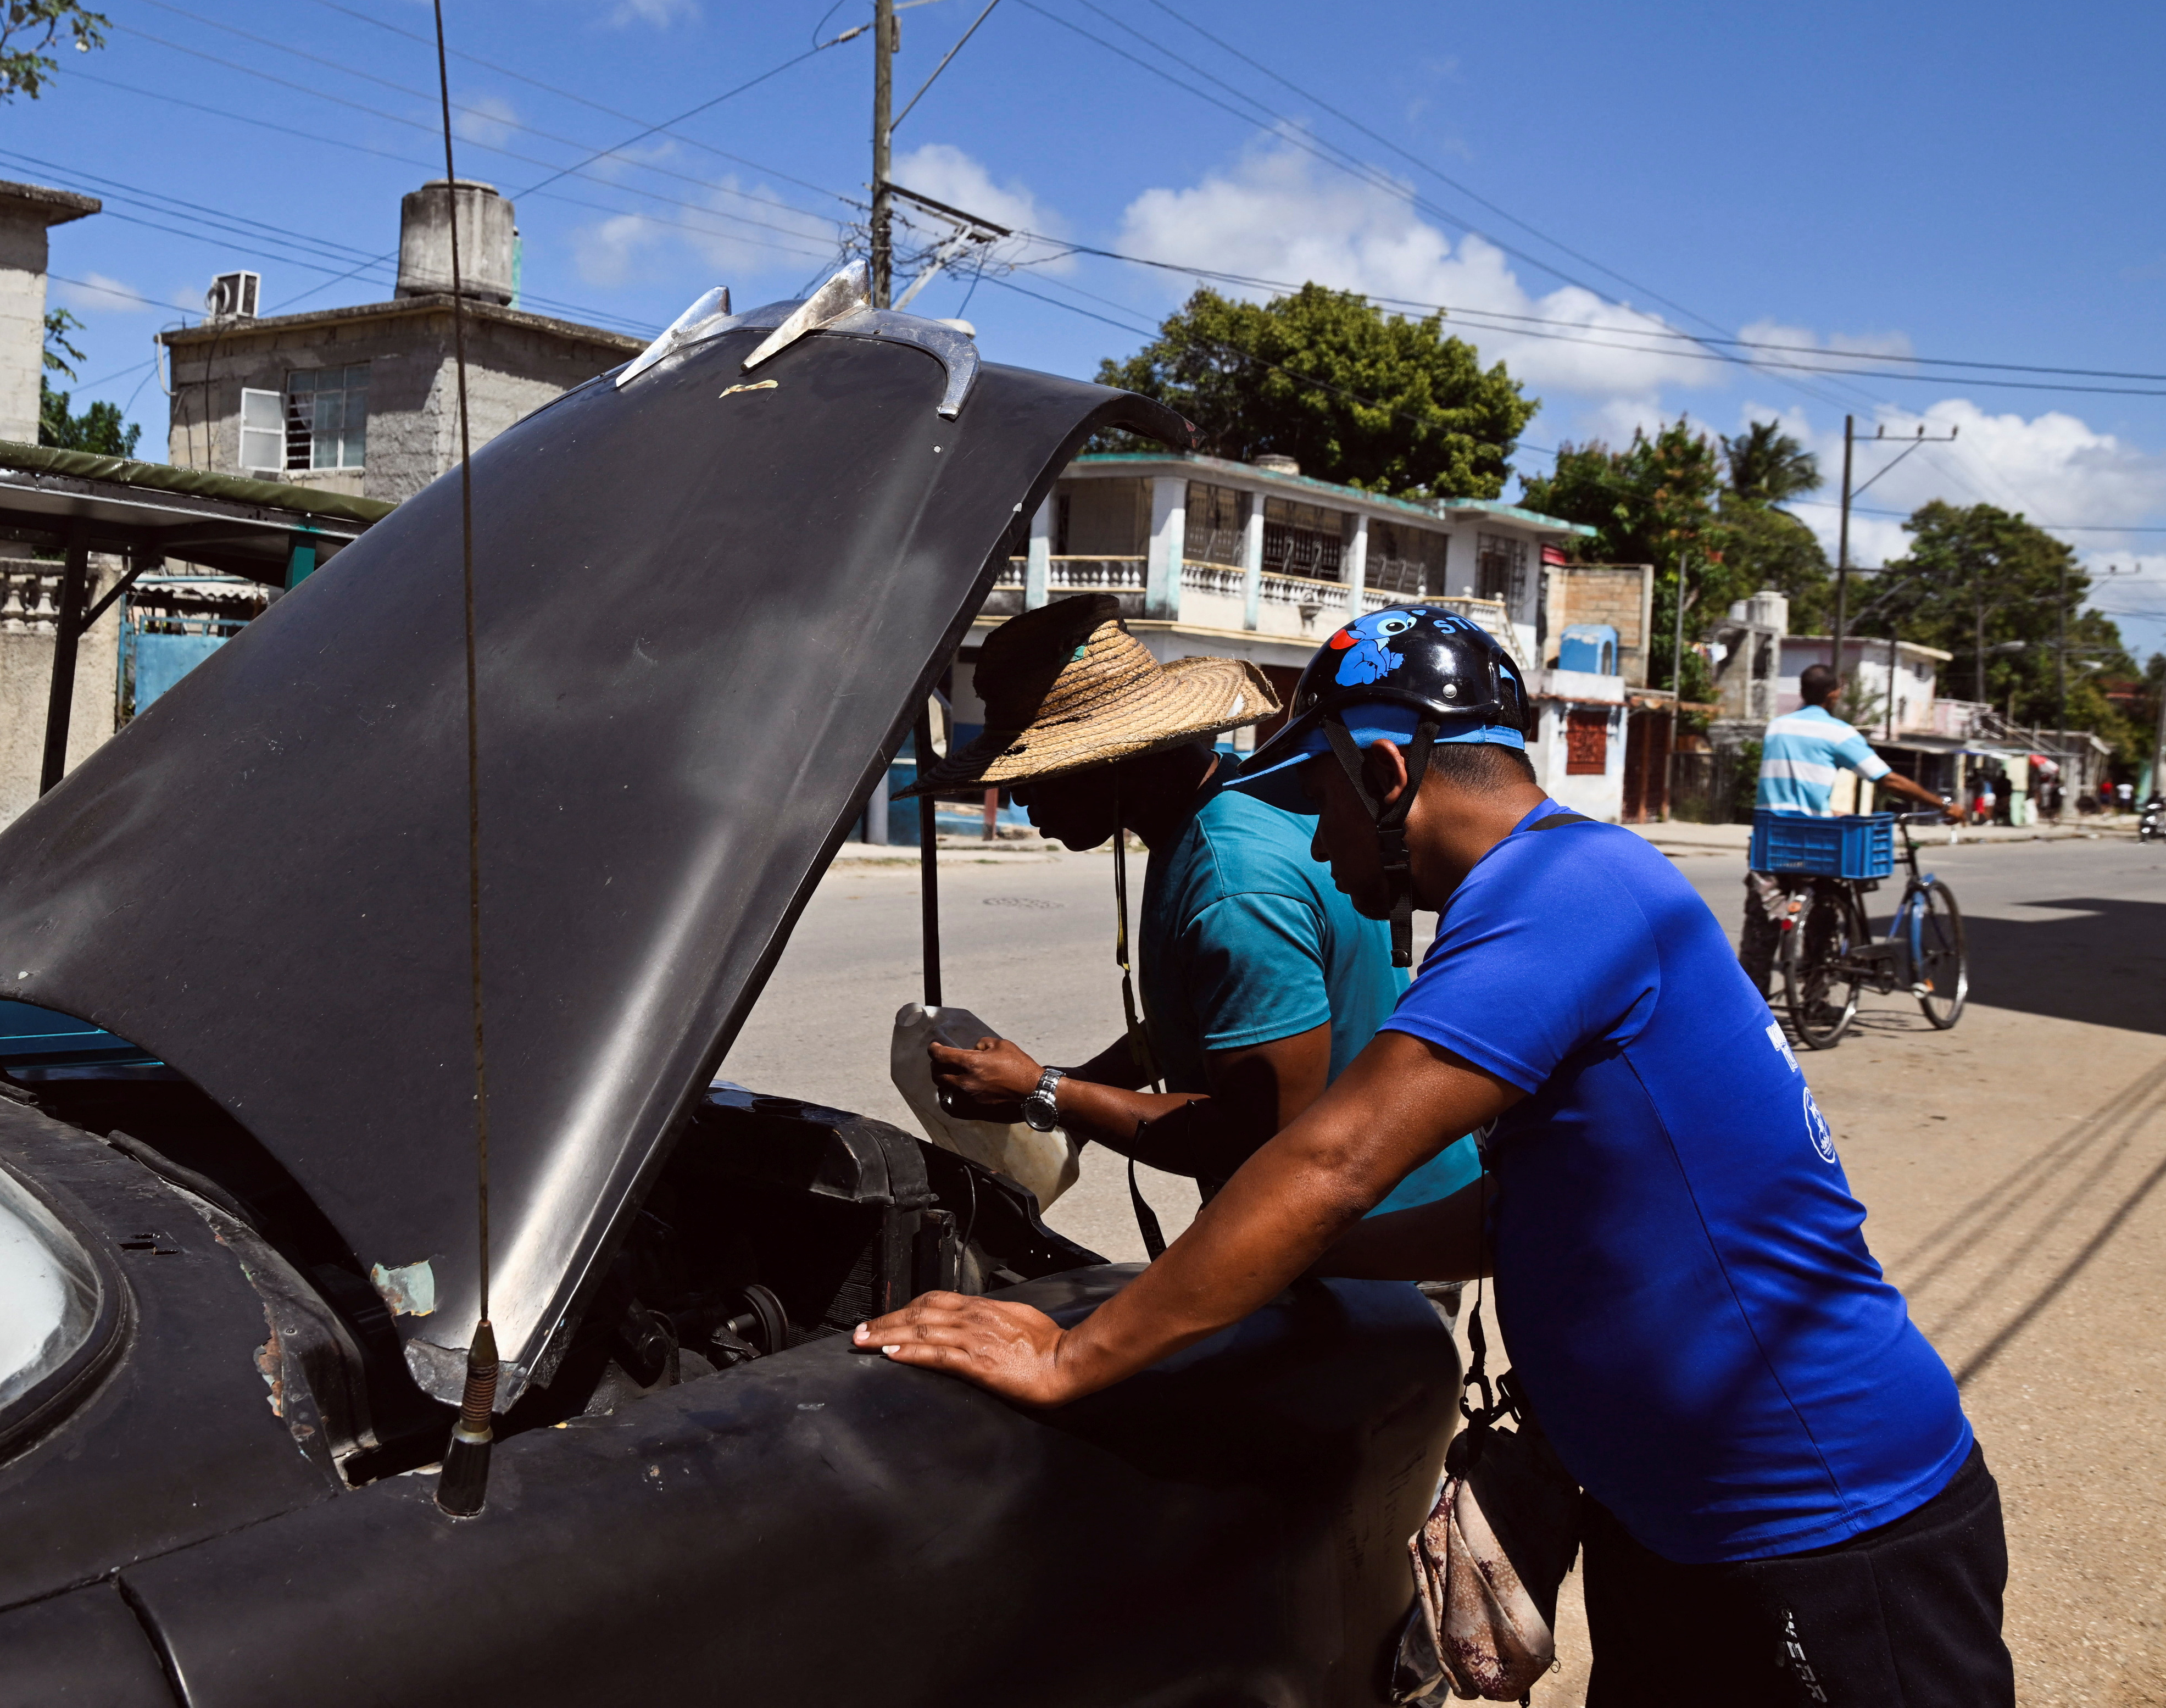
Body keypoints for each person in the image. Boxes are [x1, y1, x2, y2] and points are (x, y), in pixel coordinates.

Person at [857, 606, 2013, 1706]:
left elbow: (1329, 1158)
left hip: (1821, 1518)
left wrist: (1074, 1355)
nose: (1309, 837)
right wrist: (1311, 1261)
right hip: (1679, 1521)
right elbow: (1516, 1211)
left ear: (1382, 774)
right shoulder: (1552, 892)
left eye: (1315, 797)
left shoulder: (1563, 894)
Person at [907, 594, 1481, 1215]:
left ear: (1114, 763)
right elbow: (1217, 1019)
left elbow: (1260, 1140)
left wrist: (1052, 1092)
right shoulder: (1222, 800)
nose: (1021, 802)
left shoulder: (1232, 884)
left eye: (1036, 775)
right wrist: (1066, 1084)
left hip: (1370, 1235)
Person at [1740, 664, 1957, 999]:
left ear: (1802, 692)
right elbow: (1888, 779)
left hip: (1773, 839)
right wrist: (1942, 804)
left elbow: (1792, 789)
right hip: (1813, 842)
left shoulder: (1777, 728)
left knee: (1760, 928)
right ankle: (1816, 997)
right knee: (1827, 909)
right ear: (1834, 694)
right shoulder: (1839, 733)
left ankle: (1751, 1008)